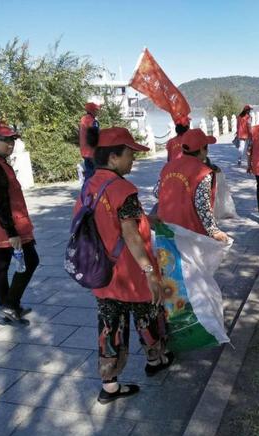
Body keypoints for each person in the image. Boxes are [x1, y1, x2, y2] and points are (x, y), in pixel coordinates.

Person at [74, 127, 171, 404]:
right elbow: (129, 234)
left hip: (102, 273)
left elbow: (108, 220)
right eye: (130, 154)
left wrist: (147, 221)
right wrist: (150, 272)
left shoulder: (89, 185)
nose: (133, 160)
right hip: (131, 274)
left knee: (109, 327)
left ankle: (110, 385)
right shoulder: (123, 189)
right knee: (148, 317)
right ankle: (156, 360)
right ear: (114, 157)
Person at [0, 121, 39, 325]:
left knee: (0, 268)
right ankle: (10, 305)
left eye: (12, 140)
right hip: (7, 228)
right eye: (6, 140)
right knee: (30, 262)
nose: (10, 145)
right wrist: (12, 232)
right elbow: (0, 202)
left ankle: (7, 307)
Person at [156, 129, 229, 242]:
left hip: (165, 227)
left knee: (170, 259)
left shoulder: (168, 166)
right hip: (190, 233)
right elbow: (202, 205)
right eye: (207, 147)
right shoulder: (203, 172)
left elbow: (156, 192)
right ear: (201, 150)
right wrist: (213, 231)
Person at [79, 102, 101, 178]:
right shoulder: (93, 121)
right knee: (94, 175)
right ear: (92, 111)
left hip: (84, 151)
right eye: (96, 110)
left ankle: (86, 188)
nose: (97, 112)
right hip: (92, 152)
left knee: (89, 173)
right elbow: (95, 137)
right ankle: (90, 189)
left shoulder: (83, 119)